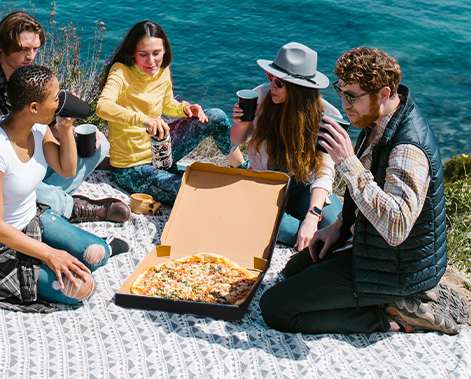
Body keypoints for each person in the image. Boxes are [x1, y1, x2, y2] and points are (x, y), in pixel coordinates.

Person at [260, 47, 468, 335]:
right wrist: (339, 228)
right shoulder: (376, 119)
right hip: (371, 248)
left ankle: (392, 317)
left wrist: (347, 162)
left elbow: (396, 227)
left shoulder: (408, 149)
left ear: (383, 94)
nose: (343, 104)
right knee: (293, 271)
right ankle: (385, 301)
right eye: (340, 91)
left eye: (351, 96)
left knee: (276, 308)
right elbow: (368, 191)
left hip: (396, 269)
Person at [0, 65, 129, 311]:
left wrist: (65, 126)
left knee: (98, 253)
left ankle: (75, 250)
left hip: (34, 219)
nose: (61, 101)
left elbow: (67, 169)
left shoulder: (38, 128)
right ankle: (56, 254)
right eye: (55, 98)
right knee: (83, 288)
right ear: (34, 108)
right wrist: (49, 254)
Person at [0, 11, 129, 223]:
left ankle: (45, 201)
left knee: (99, 145)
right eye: (23, 49)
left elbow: (48, 130)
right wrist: (15, 155)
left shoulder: (34, 77)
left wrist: (69, 130)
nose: (31, 57)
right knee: (18, 178)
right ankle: (70, 206)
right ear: (1, 46)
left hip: (25, 169)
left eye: (35, 48)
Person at [96, 21, 245, 205]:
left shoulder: (162, 69)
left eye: (156, 53)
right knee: (189, 192)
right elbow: (103, 106)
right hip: (132, 167)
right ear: (132, 53)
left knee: (215, 116)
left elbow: (167, 104)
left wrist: (185, 109)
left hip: (162, 149)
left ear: (165, 50)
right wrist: (144, 120)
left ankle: (244, 170)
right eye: (143, 55)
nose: (151, 61)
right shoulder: (121, 72)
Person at [230, 42, 343, 249]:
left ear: (299, 88)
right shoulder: (261, 96)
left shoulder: (325, 116)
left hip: (302, 186)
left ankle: (304, 229)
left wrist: (313, 215)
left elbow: (324, 172)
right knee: (294, 233)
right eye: (270, 77)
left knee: (334, 223)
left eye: (279, 83)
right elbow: (236, 141)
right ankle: (305, 236)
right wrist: (242, 123)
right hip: (264, 183)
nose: (271, 85)